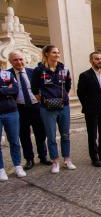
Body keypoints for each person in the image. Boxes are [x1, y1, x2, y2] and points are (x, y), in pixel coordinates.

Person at [31, 45, 76, 173]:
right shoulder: (39, 70)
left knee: (65, 135)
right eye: (54, 52)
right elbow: (35, 89)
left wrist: (60, 98)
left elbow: (67, 86)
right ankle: (55, 162)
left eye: (58, 52)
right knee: (51, 136)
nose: (57, 55)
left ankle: (67, 159)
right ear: (46, 54)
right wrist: (45, 100)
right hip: (47, 108)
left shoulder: (64, 69)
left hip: (64, 106)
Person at [8, 50, 52, 170]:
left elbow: (44, 87)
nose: (19, 62)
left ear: (24, 60)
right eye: (15, 60)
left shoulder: (33, 72)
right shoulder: (7, 74)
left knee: (40, 132)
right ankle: (29, 159)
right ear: (10, 61)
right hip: (20, 108)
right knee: (24, 134)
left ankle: (43, 156)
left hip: (36, 106)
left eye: (21, 59)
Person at [77, 52, 101, 167]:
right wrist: (88, 106)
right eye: (97, 59)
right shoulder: (85, 75)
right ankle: (94, 158)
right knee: (92, 135)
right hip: (91, 110)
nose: (100, 61)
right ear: (91, 61)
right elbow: (80, 93)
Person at [0, 69, 26, 181]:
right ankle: (1, 169)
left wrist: (2, 90)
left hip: (11, 111)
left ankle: (17, 166)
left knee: (15, 141)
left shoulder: (7, 74)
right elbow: (10, 90)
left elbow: (15, 89)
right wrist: (6, 89)